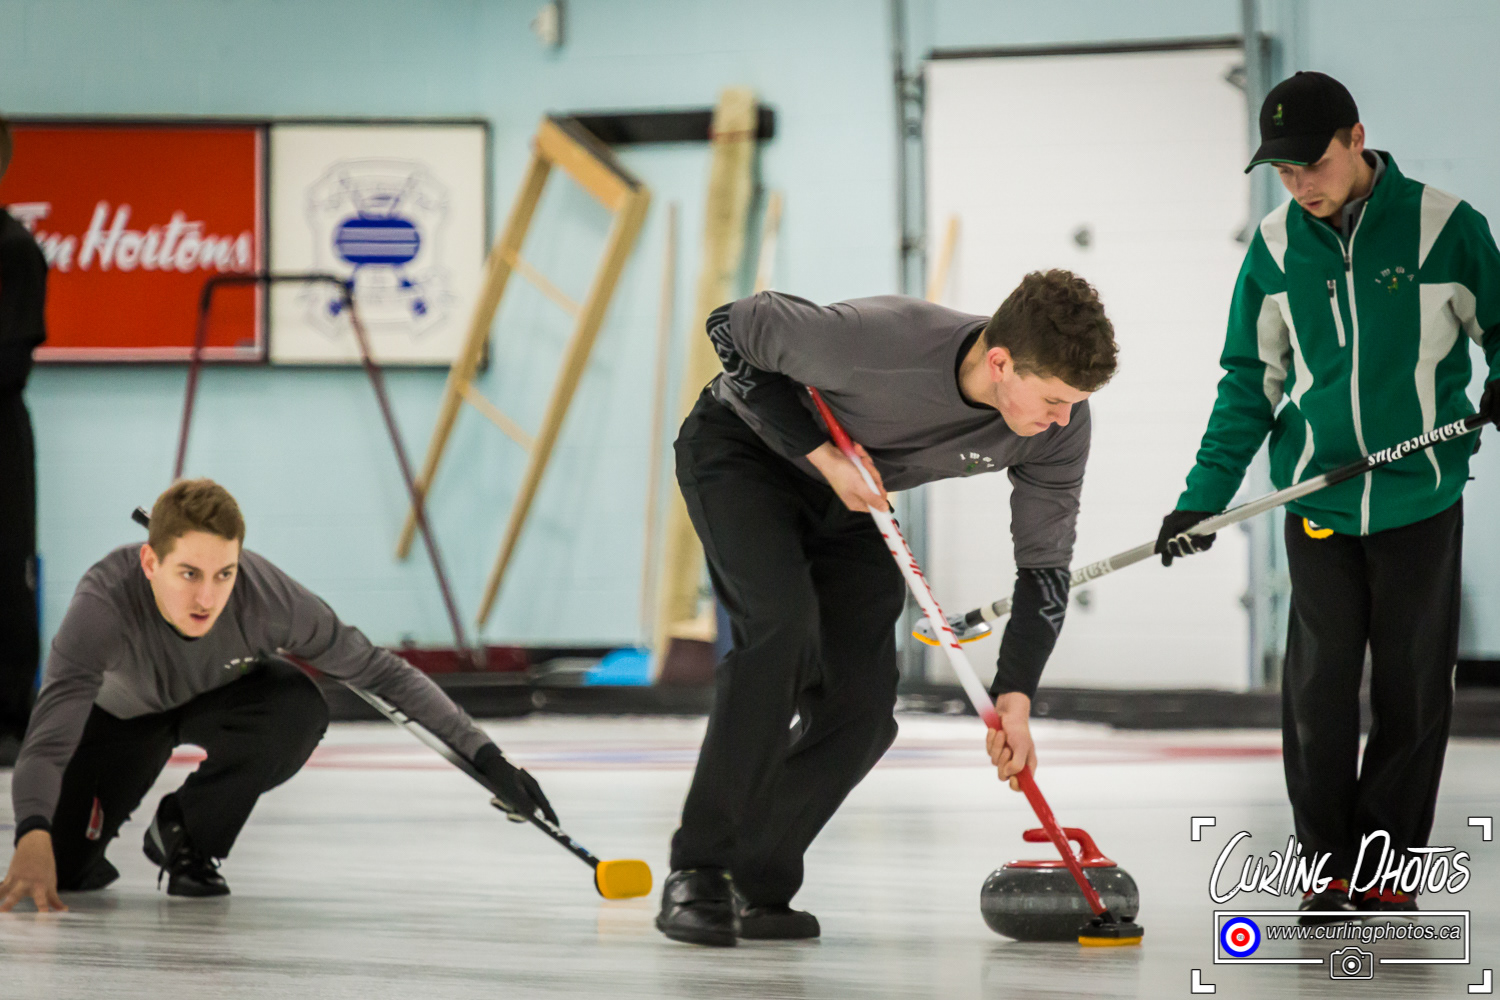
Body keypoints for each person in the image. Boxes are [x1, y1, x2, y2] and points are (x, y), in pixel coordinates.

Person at [657, 272, 1118, 945]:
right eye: (1053, 400)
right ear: (1000, 364)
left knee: (864, 708)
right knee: (780, 633)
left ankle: (755, 876)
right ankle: (699, 870)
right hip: (744, 453)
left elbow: (1042, 569)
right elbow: (730, 326)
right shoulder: (875, 342)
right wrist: (822, 456)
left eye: (1075, 404)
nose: (1063, 420)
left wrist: (1015, 697)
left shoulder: (1056, 432)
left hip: (852, 492)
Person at [1156, 72, 1500, 921]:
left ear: (1356, 139)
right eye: (1283, 171)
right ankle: (1327, 871)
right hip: (1318, 502)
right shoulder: (1275, 249)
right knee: (1317, 692)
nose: (1300, 184)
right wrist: (1203, 498)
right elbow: (1249, 383)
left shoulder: (1445, 227)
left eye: (1313, 163)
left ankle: (1385, 866)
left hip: (1420, 495)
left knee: (1413, 693)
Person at [0, 478, 556, 911]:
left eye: (224, 574)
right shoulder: (102, 607)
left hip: (218, 696)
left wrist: (487, 756)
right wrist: (31, 832)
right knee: (63, 869)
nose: (207, 597)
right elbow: (47, 739)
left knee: (296, 705)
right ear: (151, 562)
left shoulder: (267, 600)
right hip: (121, 719)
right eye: (189, 574)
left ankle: (188, 834)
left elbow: (380, 672)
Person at [0, 117, 47, 765]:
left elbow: (11, 356)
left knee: (6, 571)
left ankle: (9, 721)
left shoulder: (13, 250)